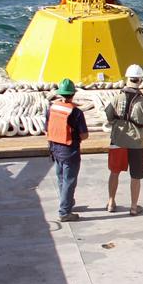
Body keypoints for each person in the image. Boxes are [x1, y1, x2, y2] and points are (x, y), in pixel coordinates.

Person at [104, 64, 143, 215]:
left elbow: (108, 115)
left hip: (117, 141)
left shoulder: (116, 98)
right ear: (140, 81)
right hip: (136, 143)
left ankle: (111, 202)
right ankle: (133, 206)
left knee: (114, 172)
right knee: (136, 176)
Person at [45, 78, 89, 221]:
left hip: (55, 149)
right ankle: (65, 212)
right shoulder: (76, 112)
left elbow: (47, 128)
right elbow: (84, 135)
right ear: (73, 94)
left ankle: (67, 202)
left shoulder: (52, 108)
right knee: (69, 180)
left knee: (61, 178)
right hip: (70, 151)